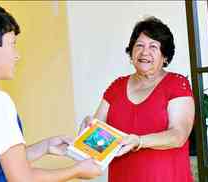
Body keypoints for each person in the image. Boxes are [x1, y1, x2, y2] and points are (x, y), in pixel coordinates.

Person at [0, 2, 102, 182]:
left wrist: (45, 146)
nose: (17, 55)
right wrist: (76, 171)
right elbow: (22, 178)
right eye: (12, 44)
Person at [80, 16, 195, 182]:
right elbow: (97, 137)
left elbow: (178, 135)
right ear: (131, 52)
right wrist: (89, 130)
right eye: (139, 45)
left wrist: (139, 141)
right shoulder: (116, 87)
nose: (144, 52)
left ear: (165, 56)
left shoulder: (176, 84)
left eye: (153, 46)